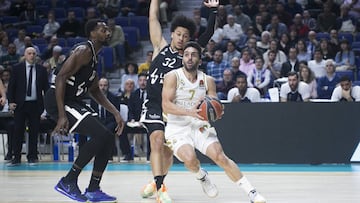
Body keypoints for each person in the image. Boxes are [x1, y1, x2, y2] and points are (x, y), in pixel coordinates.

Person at [163, 41, 266, 202]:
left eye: (194, 55)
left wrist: (216, 111)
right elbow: (166, 105)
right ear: (182, 58)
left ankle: (252, 193)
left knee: (220, 157)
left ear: (200, 60)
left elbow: (214, 102)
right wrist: (189, 112)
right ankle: (201, 176)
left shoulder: (208, 80)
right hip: (177, 127)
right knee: (190, 160)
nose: (189, 58)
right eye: (187, 55)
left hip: (199, 125)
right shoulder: (172, 76)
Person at [140, 0, 219, 202]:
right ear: (172, 33)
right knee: (156, 140)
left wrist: (213, 11)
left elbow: (208, 34)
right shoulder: (160, 47)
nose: (181, 38)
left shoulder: (188, 56)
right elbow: (153, 17)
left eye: (185, 36)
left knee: (166, 152)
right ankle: (160, 189)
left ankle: (157, 181)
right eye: (178, 34)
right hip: (153, 104)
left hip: (173, 108)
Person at [44, 19, 124, 202]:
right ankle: (68, 180)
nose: (108, 33)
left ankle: (93, 188)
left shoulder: (95, 58)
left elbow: (95, 90)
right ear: (92, 34)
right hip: (58, 99)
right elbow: (61, 78)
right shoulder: (84, 51)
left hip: (72, 100)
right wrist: (62, 115)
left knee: (107, 136)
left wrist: (115, 112)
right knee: (101, 135)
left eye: (108, 30)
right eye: (103, 30)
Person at [7, 47, 49, 166]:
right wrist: (10, 102)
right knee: (18, 131)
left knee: (34, 132)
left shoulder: (41, 70)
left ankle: (32, 157)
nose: (31, 55)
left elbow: (46, 89)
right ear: (25, 55)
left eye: (34, 53)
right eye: (29, 53)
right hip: (20, 104)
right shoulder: (17, 69)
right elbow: (11, 87)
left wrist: (47, 106)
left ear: (36, 55)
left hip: (35, 104)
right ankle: (16, 158)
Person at [90, 77, 120, 161]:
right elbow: (93, 112)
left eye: (105, 85)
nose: (103, 87)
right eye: (101, 85)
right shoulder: (93, 98)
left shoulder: (114, 98)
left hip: (110, 121)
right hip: (98, 121)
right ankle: (93, 153)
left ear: (108, 86)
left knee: (108, 129)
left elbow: (116, 114)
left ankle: (108, 155)